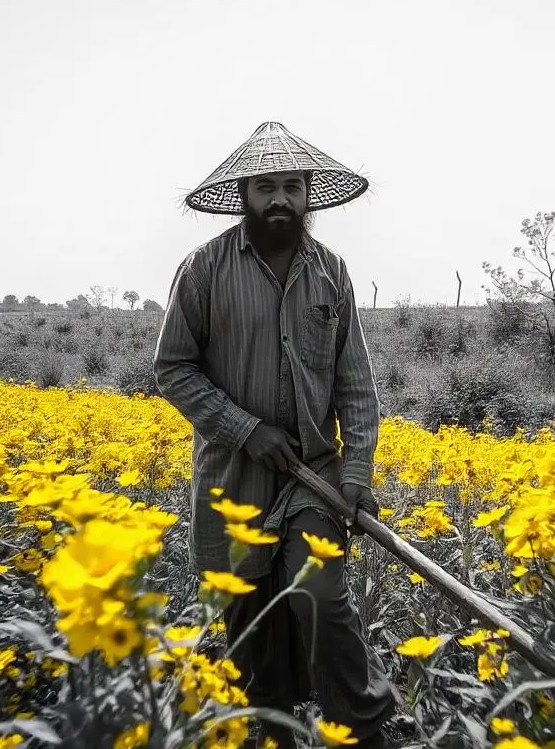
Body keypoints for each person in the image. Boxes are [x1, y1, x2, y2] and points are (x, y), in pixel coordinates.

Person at [153, 121, 394, 748]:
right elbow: (172, 368)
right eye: (267, 188)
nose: (280, 200)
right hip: (233, 478)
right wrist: (245, 428)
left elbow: (356, 387)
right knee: (250, 625)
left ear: (309, 194)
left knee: (319, 598)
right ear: (244, 194)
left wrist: (358, 476)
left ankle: (362, 732)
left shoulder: (331, 272)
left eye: (292, 187)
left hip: (313, 477)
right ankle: (273, 734)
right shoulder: (204, 270)